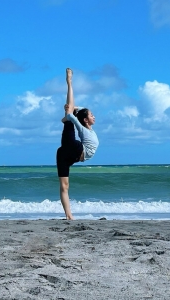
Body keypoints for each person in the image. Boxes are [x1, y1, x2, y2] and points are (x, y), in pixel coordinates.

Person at [56, 68, 99, 220]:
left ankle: (69, 215)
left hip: (69, 155)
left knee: (65, 186)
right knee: (69, 118)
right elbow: (71, 113)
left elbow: (75, 111)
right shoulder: (82, 127)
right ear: (86, 120)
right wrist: (68, 115)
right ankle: (69, 82)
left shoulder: (89, 127)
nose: (94, 116)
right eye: (91, 115)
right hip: (76, 148)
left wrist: (71, 112)